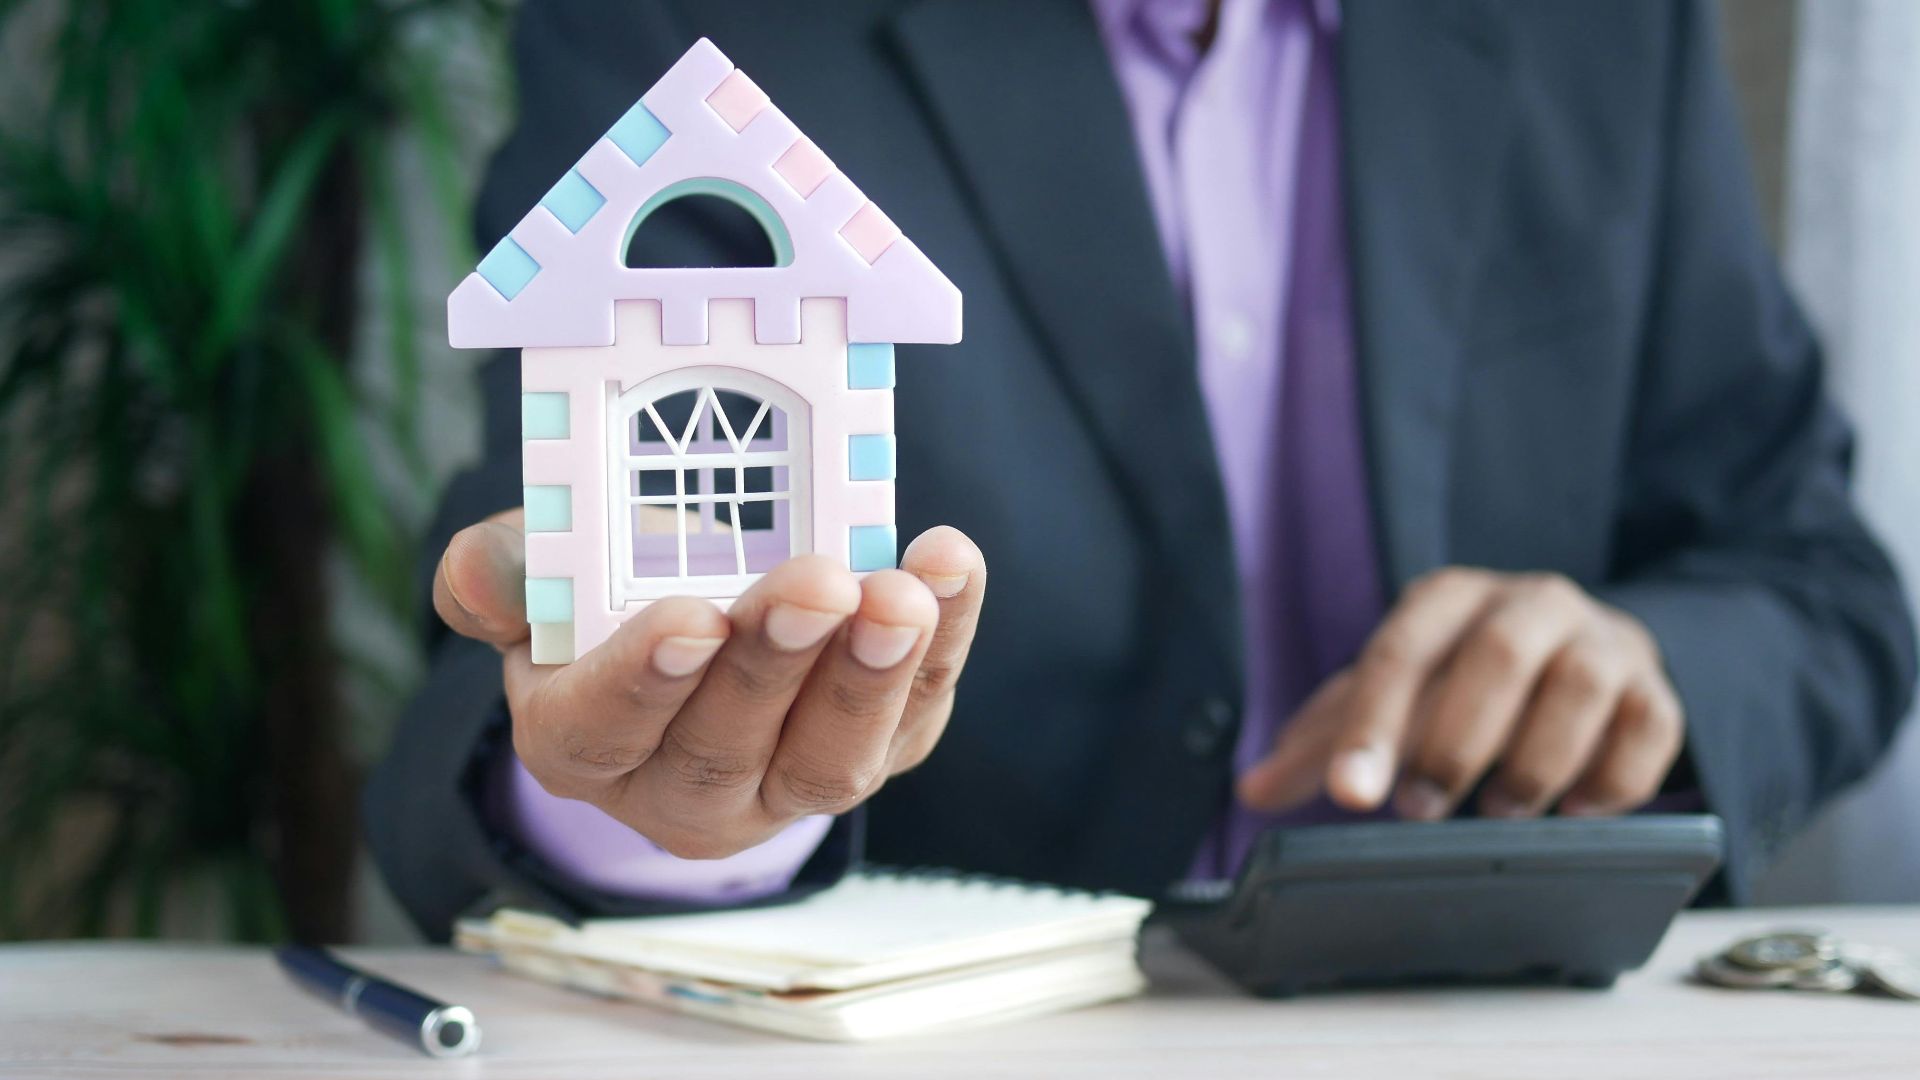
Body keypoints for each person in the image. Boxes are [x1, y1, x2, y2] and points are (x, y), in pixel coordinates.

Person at [367, 0, 1916, 937]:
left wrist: (1647, 665)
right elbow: (529, 624)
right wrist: (665, 806)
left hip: (1495, 1014)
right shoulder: (694, 28)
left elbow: (1817, 585)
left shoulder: (1603, 27)